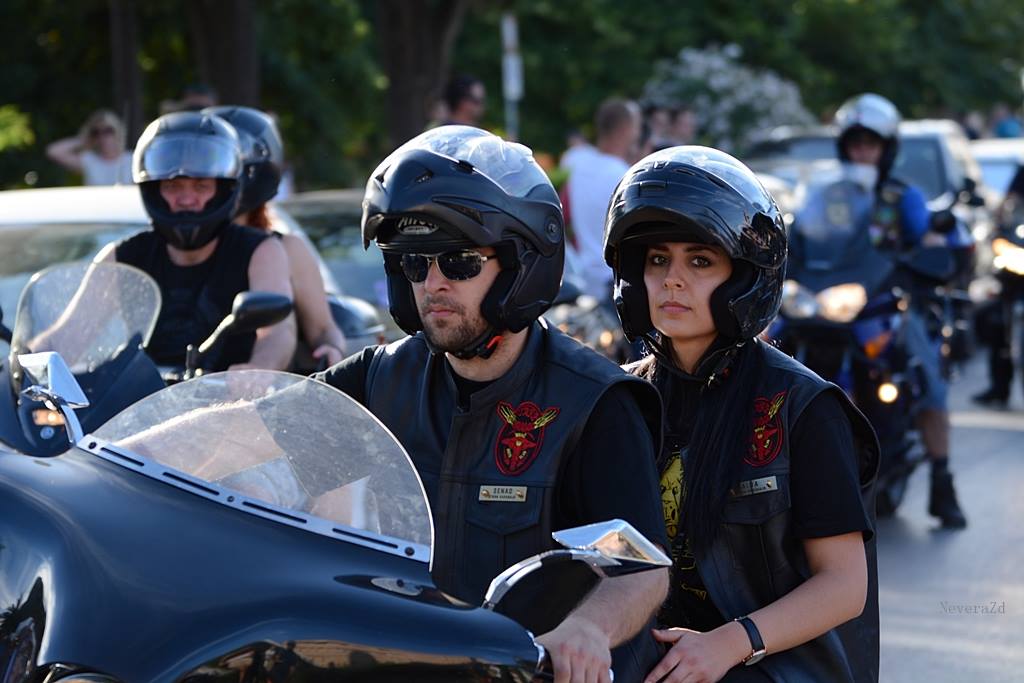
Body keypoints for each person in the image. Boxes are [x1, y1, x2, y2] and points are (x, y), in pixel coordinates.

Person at [315, 125, 669, 683]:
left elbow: (640, 570)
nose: (432, 283)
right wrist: (130, 460)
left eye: (458, 262)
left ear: (520, 263)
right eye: (413, 264)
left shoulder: (591, 404)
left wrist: (589, 629)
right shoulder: (381, 382)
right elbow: (263, 431)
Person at [603, 146, 879, 682]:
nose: (672, 279)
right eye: (658, 259)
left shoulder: (802, 407)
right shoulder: (621, 399)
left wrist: (731, 643)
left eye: (700, 261)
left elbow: (845, 585)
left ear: (744, 277)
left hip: (773, 668)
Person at [792, 93, 967, 529]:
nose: (862, 152)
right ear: (843, 146)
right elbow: (800, 235)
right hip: (824, 303)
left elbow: (929, 240)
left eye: (871, 144)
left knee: (926, 372)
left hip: (881, 303)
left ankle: (943, 485)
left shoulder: (902, 197)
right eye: (855, 143)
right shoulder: (825, 194)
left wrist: (930, 254)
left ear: (886, 148)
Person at [95, 111, 295, 373]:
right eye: (173, 187)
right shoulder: (122, 256)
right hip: (141, 406)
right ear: (154, 190)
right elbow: (71, 331)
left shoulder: (261, 250)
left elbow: (279, 333)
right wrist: (32, 361)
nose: (186, 198)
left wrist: (257, 370)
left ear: (223, 189)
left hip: (235, 403)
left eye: (201, 187)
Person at [203, 105, 347, 367]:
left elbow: (324, 328)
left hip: (259, 396)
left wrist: (331, 348)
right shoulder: (173, 252)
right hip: (172, 395)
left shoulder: (289, 249)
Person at [567, 98, 641, 301]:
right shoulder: (624, 176)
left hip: (585, 276)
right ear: (626, 129)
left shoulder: (578, 164)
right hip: (612, 281)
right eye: (636, 126)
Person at [973, 162, 1024, 407]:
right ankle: (999, 388)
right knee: (993, 319)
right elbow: (1007, 204)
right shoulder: (1021, 173)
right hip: (1016, 276)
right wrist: (998, 227)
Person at [45, 109, 133, 185]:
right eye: (96, 132)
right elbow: (53, 151)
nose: (102, 137)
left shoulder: (133, 160)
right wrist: (84, 140)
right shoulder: (89, 160)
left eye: (108, 130)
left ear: (118, 131)